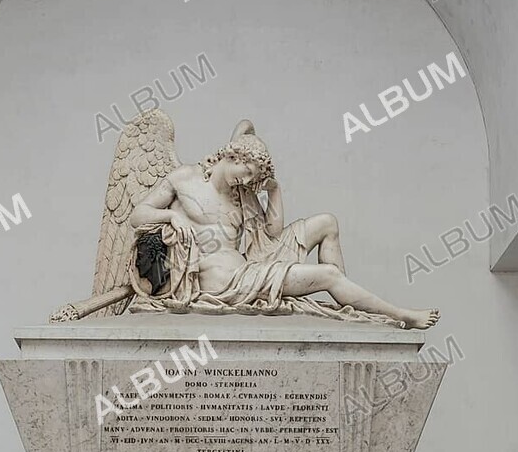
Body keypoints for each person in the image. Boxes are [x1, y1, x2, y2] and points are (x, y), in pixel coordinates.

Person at [129, 124, 439, 329]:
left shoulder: (242, 196)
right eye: (246, 172)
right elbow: (138, 215)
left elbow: (273, 233)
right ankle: (396, 314)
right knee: (328, 275)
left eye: (253, 177)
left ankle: (348, 309)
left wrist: (273, 190)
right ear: (233, 155)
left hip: (251, 268)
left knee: (327, 222)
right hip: (223, 282)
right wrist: (171, 216)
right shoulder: (185, 179)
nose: (248, 181)